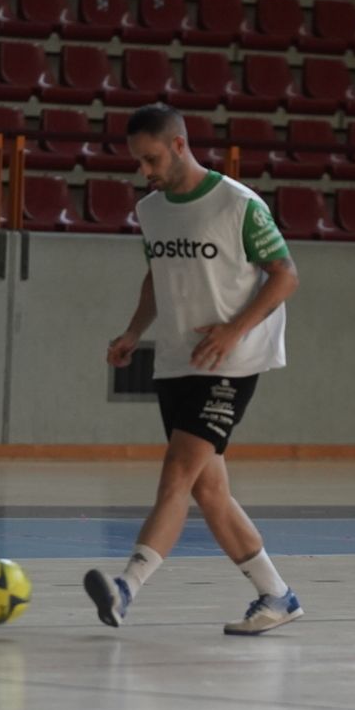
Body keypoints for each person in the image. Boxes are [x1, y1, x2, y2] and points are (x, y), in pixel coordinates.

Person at [83, 103, 303, 636]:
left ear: (180, 145)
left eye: (152, 159)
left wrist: (235, 330)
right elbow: (156, 277)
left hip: (233, 359)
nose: (145, 171)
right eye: (138, 162)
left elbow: (285, 275)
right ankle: (277, 595)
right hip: (180, 358)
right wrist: (135, 331)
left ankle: (126, 588)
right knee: (209, 492)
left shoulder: (238, 204)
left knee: (178, 474)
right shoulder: (151, 210)